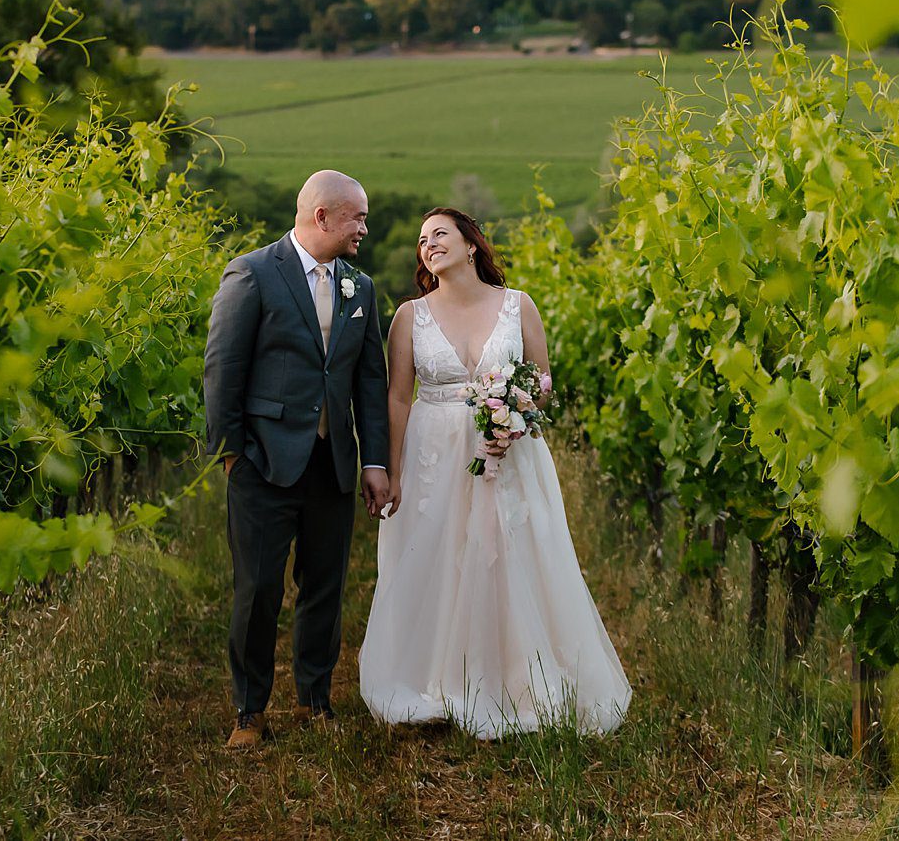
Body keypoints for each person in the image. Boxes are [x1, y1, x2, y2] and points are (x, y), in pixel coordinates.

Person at [358, 206, 631, 737]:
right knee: (435, 556)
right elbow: (397, 398)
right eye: (421, 239)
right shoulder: (409, 317)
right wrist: (391, 470)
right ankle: (434, 680)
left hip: (509, 453)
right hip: (434, 452)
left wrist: (516, 416)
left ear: (471, 245)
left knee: (508, 557)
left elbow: (543, 380)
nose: (428, 244)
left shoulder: (517, 306)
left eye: (439, 234)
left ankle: (517, 682)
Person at [202, 169, 394, 749]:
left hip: (332, 464)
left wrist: (374, 461)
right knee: (258, 589)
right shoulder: (254, 273)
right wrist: (233, 454)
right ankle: (248, 711)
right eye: (358, 217)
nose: (365, 227)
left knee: (325, 588)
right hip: (263, 464)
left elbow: (370, 382)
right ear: (323, 217)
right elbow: (222, 369)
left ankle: (315, 700)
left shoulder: (361, 287)